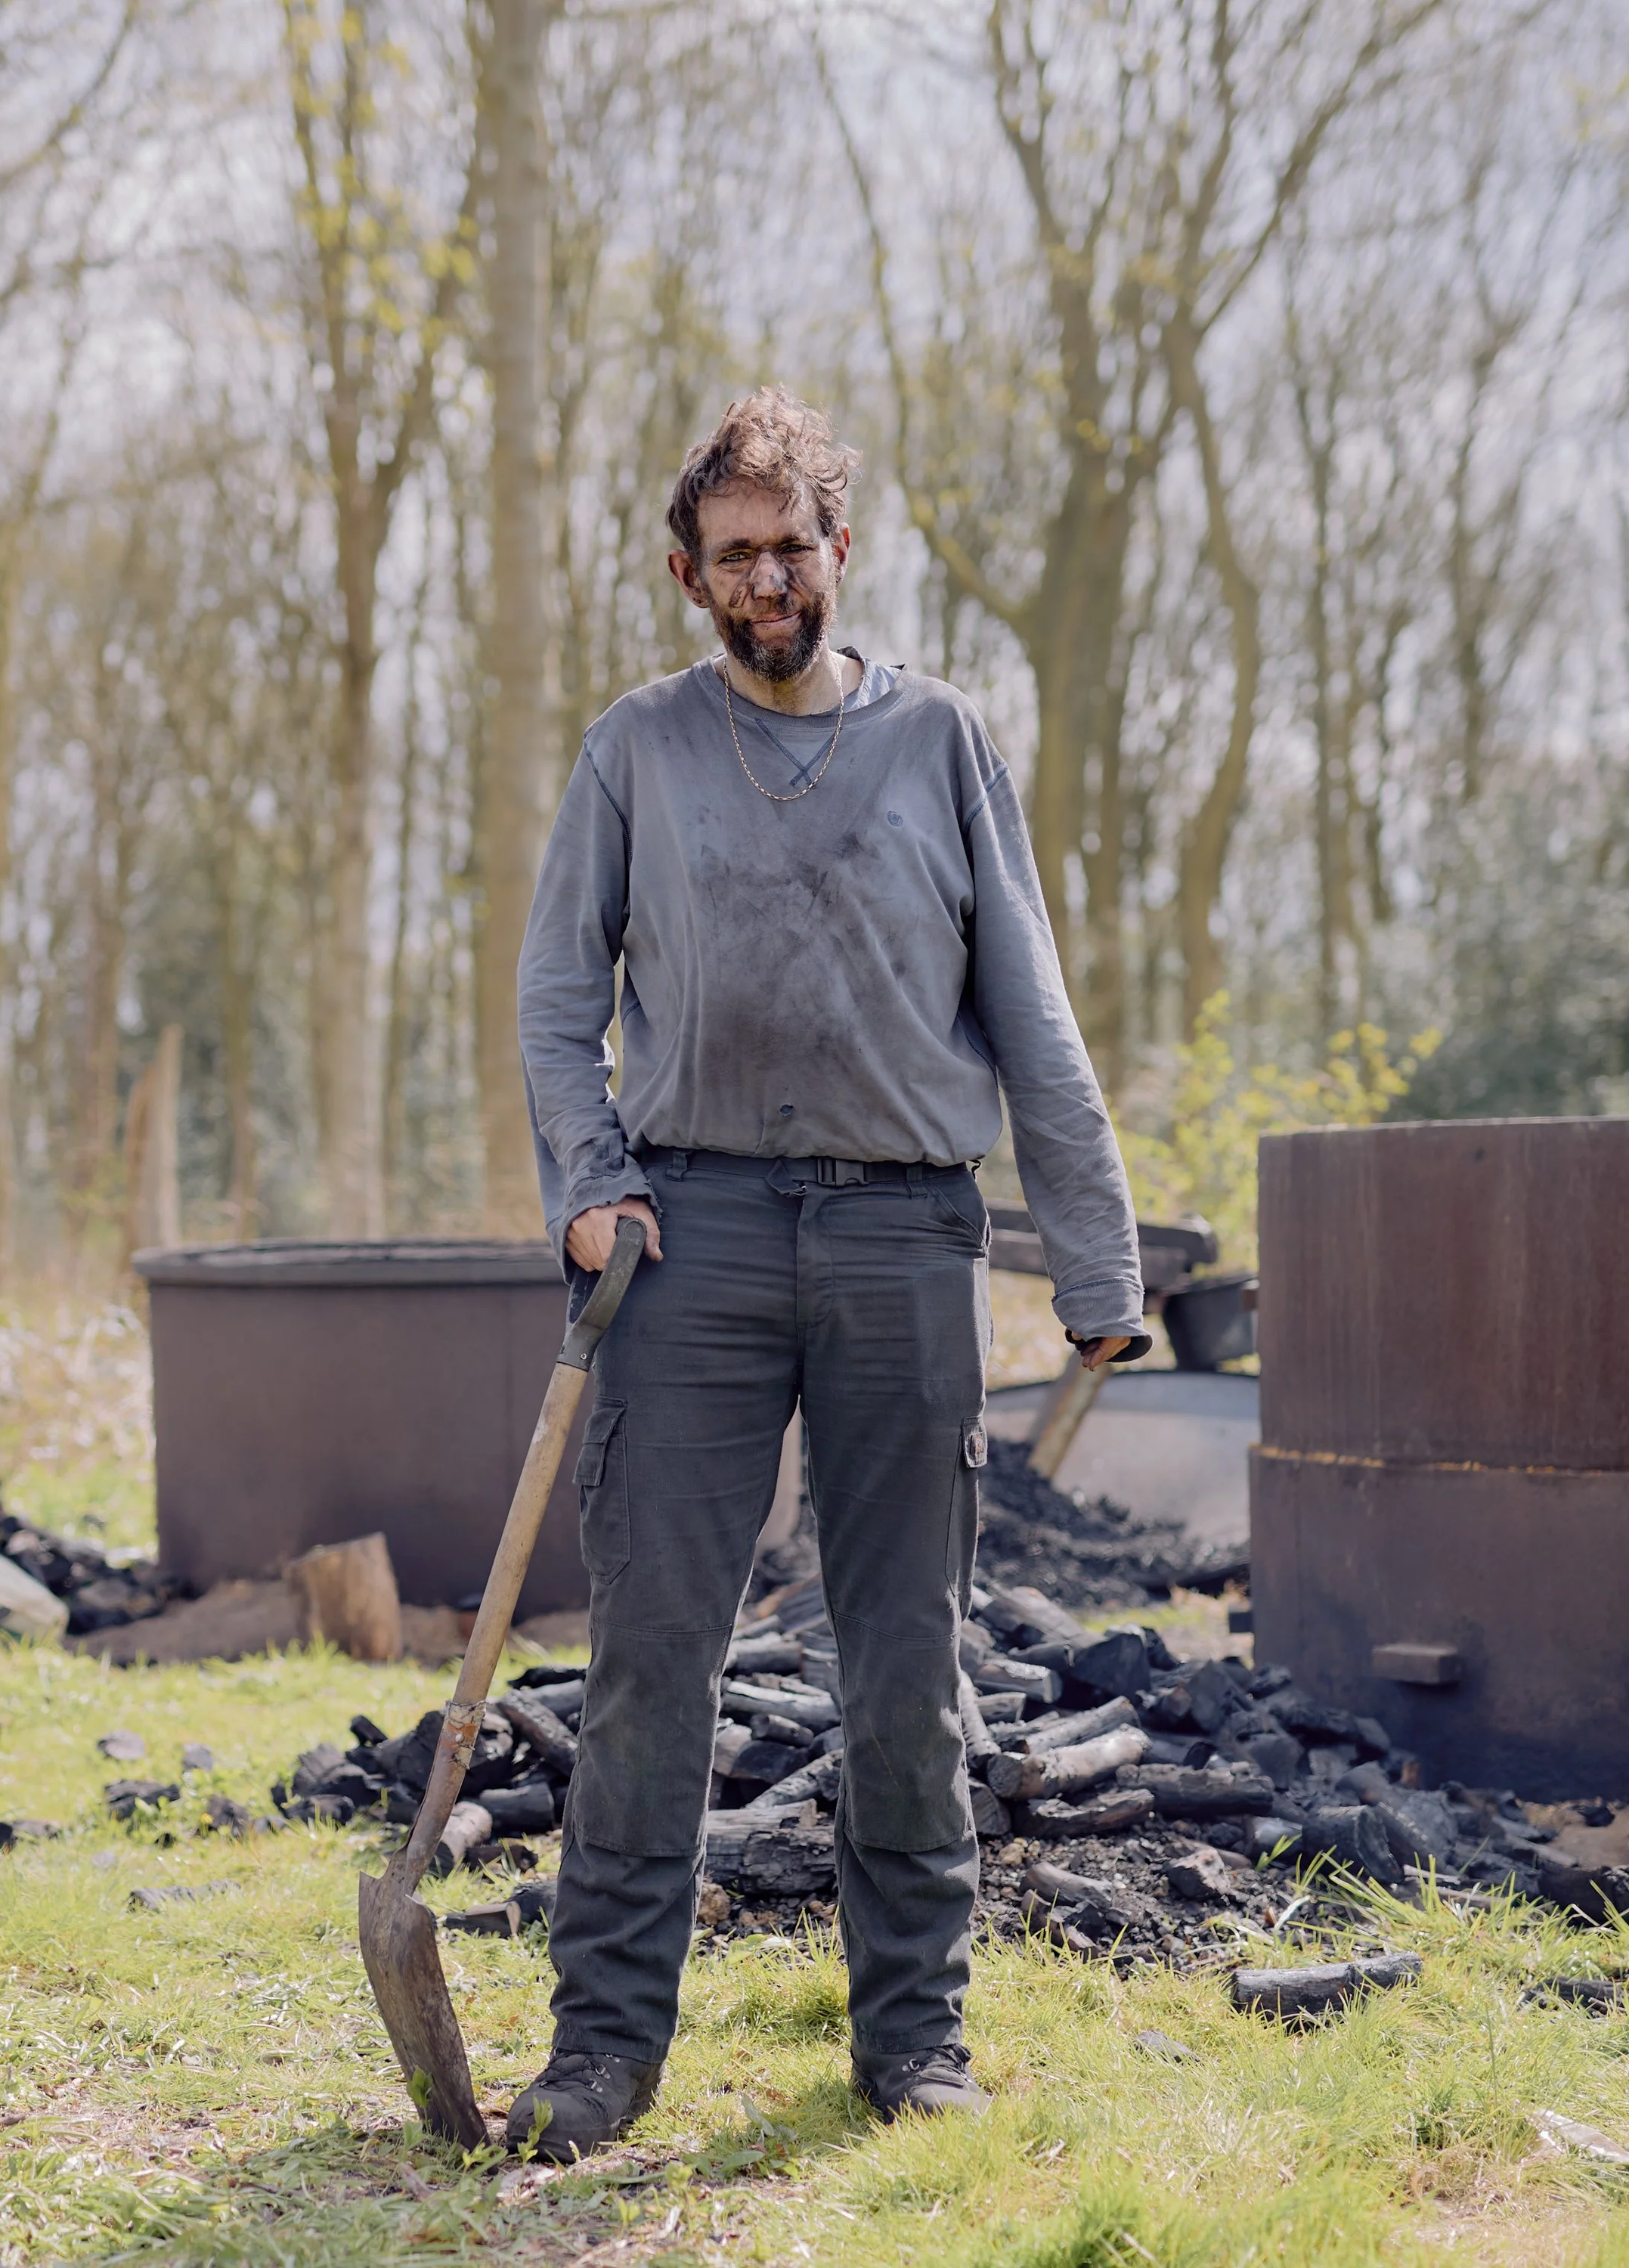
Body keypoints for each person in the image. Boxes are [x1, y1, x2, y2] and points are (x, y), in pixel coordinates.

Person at [509, 386, 1146, 2157]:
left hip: (902, 1235)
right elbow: (562, 1005)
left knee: (906, 1669)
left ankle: (913, 2045)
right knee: (651, 1659)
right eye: (737, 553)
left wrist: (1092, 1254)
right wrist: (591, 1185)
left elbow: (1034, 1016)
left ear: (841, 553)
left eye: (796, 545)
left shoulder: (942, 743)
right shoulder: (635, 751)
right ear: (687, 575)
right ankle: (603, 2055)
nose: (770, 575)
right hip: (684, 1243)